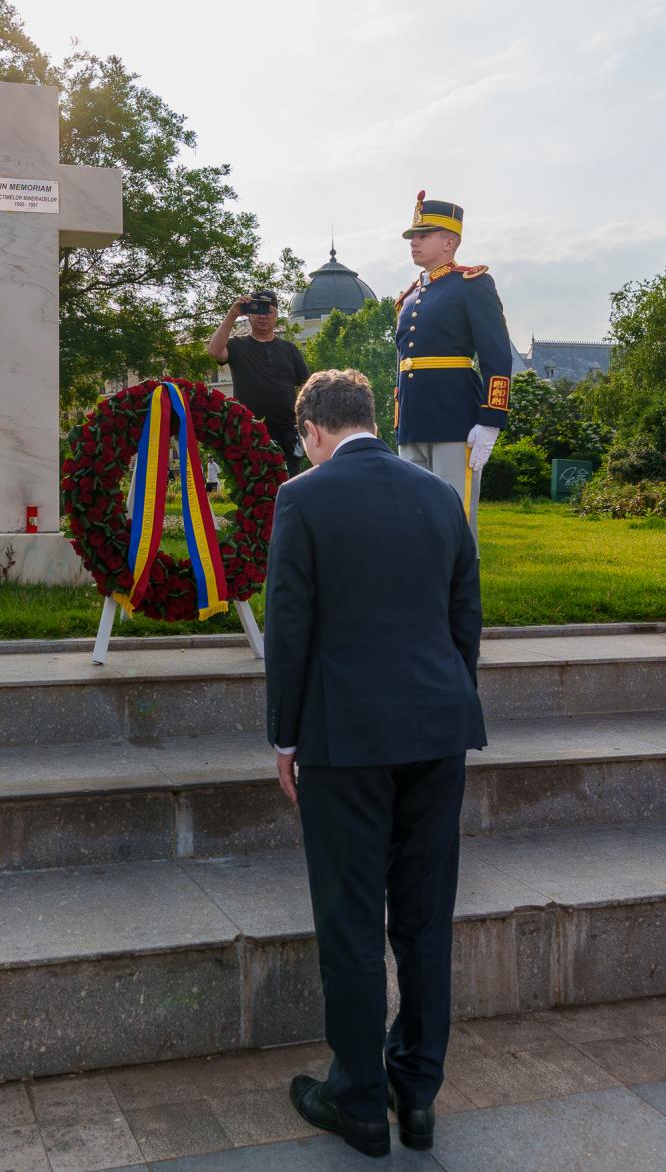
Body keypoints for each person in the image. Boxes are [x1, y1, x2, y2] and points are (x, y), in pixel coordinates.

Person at [264, 368, 485, 1159]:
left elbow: (290, 627)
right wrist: (448, 704)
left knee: (352, 918)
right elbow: (467, 617)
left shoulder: (304, 496)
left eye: (303, 440)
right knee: (425, 918)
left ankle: (357, 1099)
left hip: (343, 738)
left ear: (314, 429)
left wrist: (283, 739)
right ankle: (417, 1092)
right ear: (368, 419)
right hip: (436, 729)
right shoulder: (440, 496)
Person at [395, 191, 512, 539]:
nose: (413, 242)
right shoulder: (410, 296)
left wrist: (491, 419)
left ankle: (461, 594)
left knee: (454, 520)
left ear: (449, 241)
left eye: (423, 235)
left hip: (453, 418)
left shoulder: (471, 285)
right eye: (413, 236)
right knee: (414, 519)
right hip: (413, 421)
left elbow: (496, 355)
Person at [207, 287, 309, 475]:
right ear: (248, 315)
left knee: (289, 485)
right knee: (254, 488)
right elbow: (214, 351)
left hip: (287, 432)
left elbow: (306, 387)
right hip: (250, 431)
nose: (263, 317)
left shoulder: (289, 349)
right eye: (258, 311)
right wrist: (232, 314)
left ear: (276, 315)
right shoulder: (237, 345)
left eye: (269, 311)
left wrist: (304, 423)